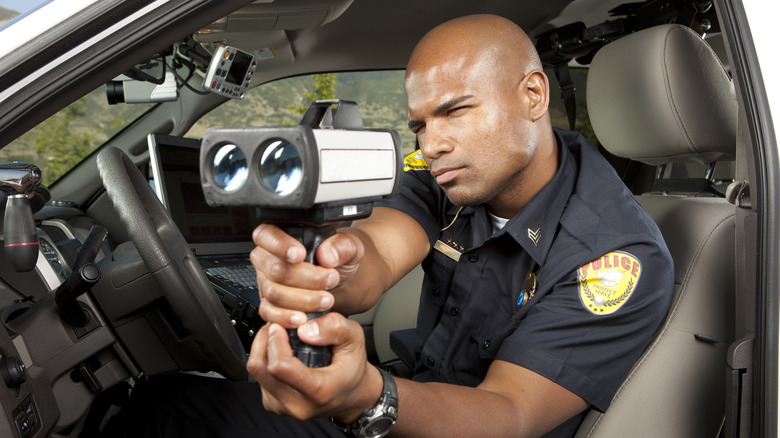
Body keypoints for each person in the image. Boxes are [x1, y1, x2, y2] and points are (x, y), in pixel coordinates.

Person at [101, 13, 673, 438]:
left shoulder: (614, 255)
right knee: (170, 403)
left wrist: (369, 397)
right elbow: (373, 257)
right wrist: (326, 267)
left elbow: (510, 414)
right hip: (411, 403)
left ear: (532, 95)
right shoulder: (449, 176)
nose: (433, 144)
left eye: (456, 110)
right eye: (419, 124)